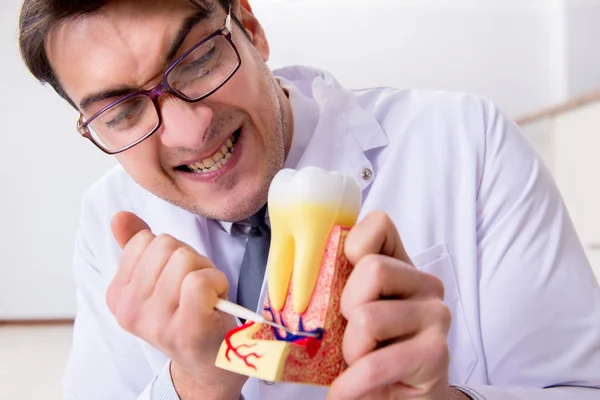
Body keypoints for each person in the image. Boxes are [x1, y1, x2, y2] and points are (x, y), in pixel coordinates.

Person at [18, 0, 600, 399]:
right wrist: (196, 382)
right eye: (121, 112)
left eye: (196, 61)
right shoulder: (111, 225)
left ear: (250, 25)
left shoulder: (467, 142)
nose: (189, 131)